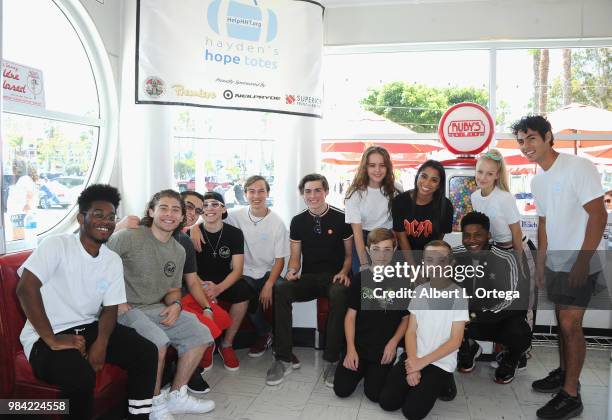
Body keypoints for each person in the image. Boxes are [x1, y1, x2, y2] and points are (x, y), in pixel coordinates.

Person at [16, 184, 158, 419]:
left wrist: (101, 343)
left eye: (111, 217)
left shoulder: (111, 260)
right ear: (81, 217)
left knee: (146, 352)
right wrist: (52, 339)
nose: (106, 221)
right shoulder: (57, 244)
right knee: (80, 376)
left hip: (89, 328)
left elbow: (111, 308)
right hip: (43, 336)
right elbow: (26, 289)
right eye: (98, 215)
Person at [513, 115, 607, 420]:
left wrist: (582, 261)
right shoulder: (537, 180)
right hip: (556, 261)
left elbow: (598, 216)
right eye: (521, 140)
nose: (526, 145)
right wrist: (540, 265)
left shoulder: (578, 167)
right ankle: (566, 372)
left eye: (531, 138)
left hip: (582, 259)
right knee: (561, 320)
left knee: (570, 325)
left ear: (548, 137)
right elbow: (543, 224)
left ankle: (570, 393)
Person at [107, 189, 215, 419]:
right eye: (163, 208)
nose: (170, 214)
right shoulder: (129, 237)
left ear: (181, 216)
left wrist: (176, 303)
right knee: (158, 341)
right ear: (151, 211)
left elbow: (173, 289)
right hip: (123, 308)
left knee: (200, 333)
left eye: (176, 209)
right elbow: (96, 263)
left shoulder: (178, 250)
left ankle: (177, 396)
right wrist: (114, 301)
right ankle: (155, 403)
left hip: (154, 307)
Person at [266, 173, 353, 387]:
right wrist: (292, 271)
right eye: (308, 191)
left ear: (326, 191)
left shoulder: (342, 218)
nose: (312, 195)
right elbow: (295, 258)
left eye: (317, 190)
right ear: (302, 194)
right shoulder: (297, 221)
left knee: (339, 293)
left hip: (335, 277)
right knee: (282, 288)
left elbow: (350, 256)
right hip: (310, 277)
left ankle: (332, 360)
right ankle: (283, 358)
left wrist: (343, 271)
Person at [192, 176, 289, 358]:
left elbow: (280, 260)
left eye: (261, 191)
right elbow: (211, 216)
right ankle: (264, 333)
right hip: (243, 272)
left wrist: (269, 284)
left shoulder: (277, 223)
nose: (256, 196)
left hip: (268, 272)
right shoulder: (236, 215)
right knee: (246, 290)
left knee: (284, 290)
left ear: (268, 193)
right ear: (245, 194)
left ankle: (284, 346)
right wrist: (195, 227)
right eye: (251, 191)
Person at [378, 240, 468, 419]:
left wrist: (421, 363)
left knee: (412, 413)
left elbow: (455, 341)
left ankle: (445, 381)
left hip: (438, 361)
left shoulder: (458, 296)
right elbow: (411, 332)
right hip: (414, 356)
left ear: (450, 264)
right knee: (387, 403)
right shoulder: (419, 291)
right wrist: (413, 364)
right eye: (429, 260)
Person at [453, 211, 531, 384]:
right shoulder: (454, 255)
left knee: (518, 331)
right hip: (469, 320)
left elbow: (512, 299)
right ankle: (468, 348)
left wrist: (473, 315)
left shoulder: (505, 258)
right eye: (467, 235)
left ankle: (512, 358)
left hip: (500, 321)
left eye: (478, 235)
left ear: (488, 236)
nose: (471, 240)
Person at [333, 228, 409, 402]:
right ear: (368, 250)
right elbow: (350, 317)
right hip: (359, 346)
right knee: (341, 390)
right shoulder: (360, 279)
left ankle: (378, 370)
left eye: (387, 250)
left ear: (394, 250)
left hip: (383, 350)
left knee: (374, 394)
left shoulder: (402, 281)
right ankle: (358, 366)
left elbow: (406, 319)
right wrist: (350, 349)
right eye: (376, 250)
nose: (381, 255)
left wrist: (393, 343)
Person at [193, 191, 256, 371]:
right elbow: (188, 270)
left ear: (223, 208)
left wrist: (218, 289)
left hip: (224, 280)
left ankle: (226, 344)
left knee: (243, 292)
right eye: (205, 205)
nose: (209, 208)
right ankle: (207, 344)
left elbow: (237, 270)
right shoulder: (192, 233)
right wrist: (204, 287)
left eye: (214, 204)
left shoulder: (235, 234)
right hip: (197, 280)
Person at [345, 146, 402, 274]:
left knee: (390, 282)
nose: (377, 170)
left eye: (382, 165)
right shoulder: (355, 194)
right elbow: (357, 233)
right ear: (365, 168)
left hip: (389, 238)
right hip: (364, 239)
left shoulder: (397, 189)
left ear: (388, 167)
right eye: (372, 165)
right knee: (364, 281)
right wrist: (364, 264)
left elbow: (398, 226)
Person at [392, 160, 453, 263]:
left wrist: (429, 262)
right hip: (404, 257)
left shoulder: (445, 205)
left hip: (430, 257)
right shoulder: (400, 201)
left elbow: (439, 239)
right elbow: (401, 238)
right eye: (424, 176)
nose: (427, 183)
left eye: (434, 180)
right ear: (417, 176)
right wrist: (413, 267)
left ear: (439, 185)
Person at [471, 149, 524, 254]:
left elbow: (517, 232)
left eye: (489, 174)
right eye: (480, 172)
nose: (482, 178)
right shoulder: (474, 197)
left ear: (497, 175)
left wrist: (520, 262)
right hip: (496, 248)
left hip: (517, 247)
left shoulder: (504, 198)